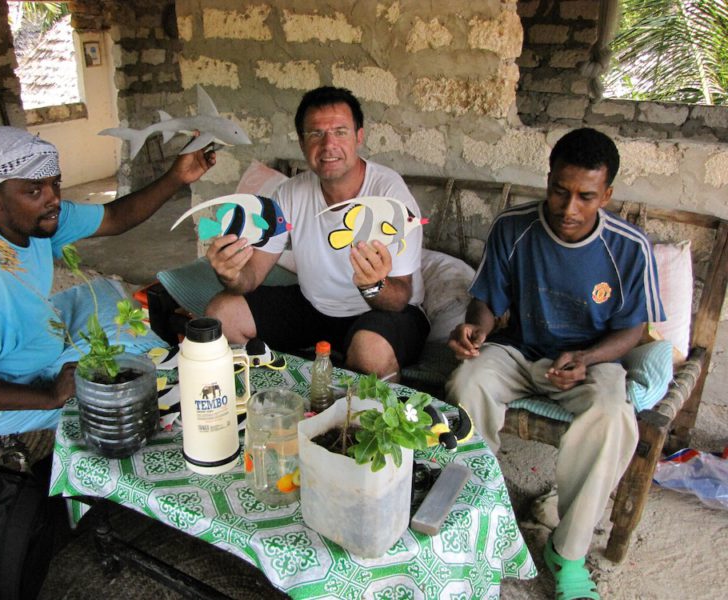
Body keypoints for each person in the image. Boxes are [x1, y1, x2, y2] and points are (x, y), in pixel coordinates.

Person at [445, 128, 664, 600]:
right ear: (547, 180)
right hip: (520, 349)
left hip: (590, 359)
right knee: (467, 382)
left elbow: (633, 330)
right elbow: (485, 300)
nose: (569, 208)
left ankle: (566, 553)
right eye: (560, 191)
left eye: (586, 196)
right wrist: (476, 328)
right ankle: (474, 518)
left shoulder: (629, 247)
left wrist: (588, 357)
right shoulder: (513, 226)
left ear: (607, 195)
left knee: (613, 416)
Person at [0, 126, 214, 436]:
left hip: (35, 334)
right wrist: (50, 395)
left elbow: (115, 218)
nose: (52, 199)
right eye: (35, 190)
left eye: (55, 184)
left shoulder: (26, 222)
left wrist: (177, 176)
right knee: (131, 387)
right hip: (15, 386)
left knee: (105, 293)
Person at [205, 86, 429, 380]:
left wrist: (372, 285)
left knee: (370, 351)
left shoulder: (389, 195)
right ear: (301, 142)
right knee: (221, 312)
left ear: (359, 137)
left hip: (381, 312)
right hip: (315, 306)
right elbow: (251, 276)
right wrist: (230, 274)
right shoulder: (288, 194)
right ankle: (271, 394)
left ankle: (365, 415)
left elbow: (399, 297)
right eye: (315, 134)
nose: (328, 145)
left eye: (340, 132)